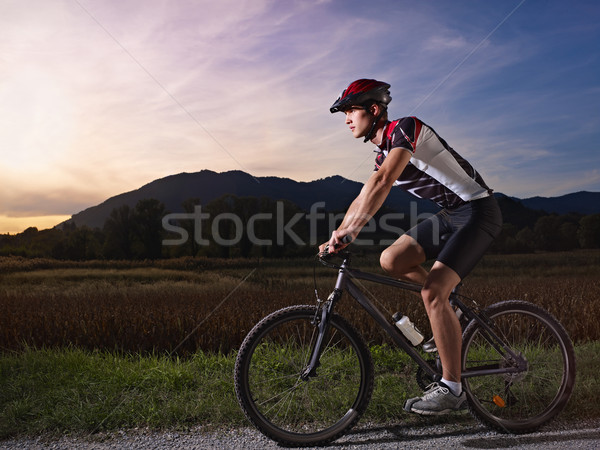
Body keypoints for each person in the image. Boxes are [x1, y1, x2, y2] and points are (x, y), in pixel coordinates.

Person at [319, 78, 502, 415]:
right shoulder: (381, 155)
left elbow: (382, 182)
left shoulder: (406, 129)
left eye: (350, 111)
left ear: (373, 110)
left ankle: (453, 390)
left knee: (432, 292)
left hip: (478, 210)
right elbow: (365, 195)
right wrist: (338, 235)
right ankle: (452, 305)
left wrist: (351, 233)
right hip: (451, 214)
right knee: (391, 259)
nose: (346, 119)